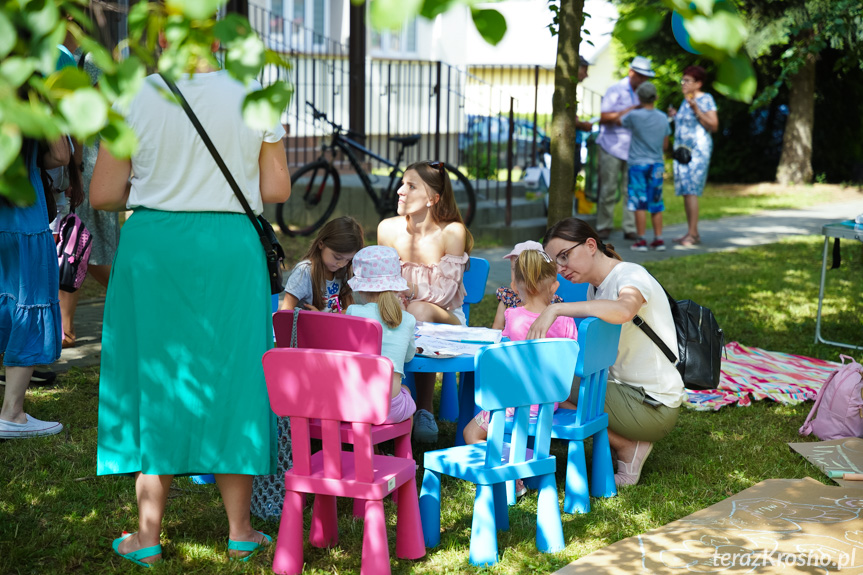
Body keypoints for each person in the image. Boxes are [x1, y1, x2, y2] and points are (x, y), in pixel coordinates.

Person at [90, 37, 291, 565]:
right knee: (235, 376)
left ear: (162, 36)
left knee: (153, 375)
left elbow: (104, 194)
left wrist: (161, 174)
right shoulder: (255, 94)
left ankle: (148, 536)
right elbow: (277, 186)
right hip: (230, 249)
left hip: (155, 249)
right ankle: (241, 530)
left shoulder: (134, 95)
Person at [527, 218, 685, 488]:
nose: (561, 268)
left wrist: (556, 309)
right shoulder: (596, 287)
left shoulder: (629, 275)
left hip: (652, 404)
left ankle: (627, 447)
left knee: (548, 384)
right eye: (556, 263)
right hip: (628, 392)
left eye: (565, 256)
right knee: (546, 377)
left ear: (590, 245)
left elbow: (624, 309)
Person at [377, 160, 472, 443]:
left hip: (447, 319)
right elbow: (381, 284)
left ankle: (425, 409)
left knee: (415, 310)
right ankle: (387, 401)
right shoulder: (388, 229)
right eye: (401, 184)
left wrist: (405, 290)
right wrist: (399, 298)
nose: (399, 191)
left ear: (433, 198)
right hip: (401, 313)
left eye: (410, 186)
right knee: (382, 316)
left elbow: (442, 295)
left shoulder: (451, 232)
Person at [0, 138, 69, 439]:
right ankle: (12, 413)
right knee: (29, 301)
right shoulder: (25, 94)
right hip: (21, 214)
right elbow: (60, 155)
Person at [58, 29, 121, 349]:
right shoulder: (55, 52)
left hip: (88, 160)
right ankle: (66, 328)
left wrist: (77, 165)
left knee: (86, 245)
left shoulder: (90, 58)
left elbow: (92, 113)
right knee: (73, 244)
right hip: (71, 158)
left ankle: (133, 299)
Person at [345, 245, 417, 424]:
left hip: (354, 405)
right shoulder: (407, 319)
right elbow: (408, 357)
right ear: (396, 287)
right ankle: (404, 450)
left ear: (360, 288)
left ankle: (371, 445)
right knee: (406, 391)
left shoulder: (353, 312)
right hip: (389, 409)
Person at [596, 56, 656, 241]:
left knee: (631, 189)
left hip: (633, 149)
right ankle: (604, 226)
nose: (643, 80)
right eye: (641, 76)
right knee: (608, 188)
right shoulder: (615, 90)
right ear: (631, 73)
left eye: (646, 77)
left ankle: (629, 228)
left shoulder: (644, 92)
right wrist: (631, 109)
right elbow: (604, 117)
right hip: (611, 146)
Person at [668, 65, 718, 247]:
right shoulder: (685, 101)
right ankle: (691, 232)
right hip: (683, 153)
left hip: (697, 152)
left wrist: (696, 109)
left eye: (687, 80)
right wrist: (675, 116)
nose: (683, 83)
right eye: (683, 80)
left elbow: (714, 125)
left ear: (698, 83)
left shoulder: (705, 99)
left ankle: (693, 233)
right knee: (686, 192)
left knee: (691, 191)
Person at [619, 81, 671, 252]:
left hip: (637, 164)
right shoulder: (663, 117)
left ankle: (641, 240)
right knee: (656, 201)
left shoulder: (634, 116)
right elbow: (665, 145)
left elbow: (621, 120)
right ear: (655, 97)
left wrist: (635, 107)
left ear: (639, 98)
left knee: (639, 202)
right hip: (656, 164)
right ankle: (658, 239)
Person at [279, 216, 363, 313]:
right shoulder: (304, 272)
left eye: (348, 260)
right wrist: (315, 318)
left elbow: (350, 312)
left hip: (331, 326)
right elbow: (285, 312)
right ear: (321, 244)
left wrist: (322, 317)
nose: (341, 264)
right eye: (337, 257)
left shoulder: (343, 271)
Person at [492, 240, 563, 330]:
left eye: (525, 273)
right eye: (514, 269)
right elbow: (497, 328)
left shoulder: (554, 302)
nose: (519, 276)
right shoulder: (507, 298)